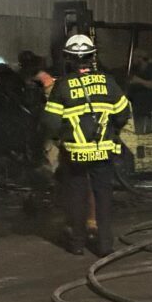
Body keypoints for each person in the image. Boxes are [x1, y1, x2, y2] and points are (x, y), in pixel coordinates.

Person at [42, 35, 130, 256]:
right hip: (103, 151)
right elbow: (123, 113)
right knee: (103, 198)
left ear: (69, 59)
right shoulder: (108, 82)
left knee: (77, 198)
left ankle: (78, 244)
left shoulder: (62, 86)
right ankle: (104, 245)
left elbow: (51, 122)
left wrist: (58, 137)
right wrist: (112, 128)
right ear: (92, 57)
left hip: (75, 155)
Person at [127, 48, 152, 115]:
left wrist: (139, 80)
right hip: (138, 103)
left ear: (140, 58)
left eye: (134, 57)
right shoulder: (136, 70)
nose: (132, 60)